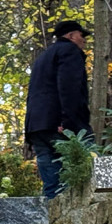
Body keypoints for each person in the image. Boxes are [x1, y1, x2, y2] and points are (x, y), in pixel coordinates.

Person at [24, 20, 92, 198]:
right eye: (81, 35)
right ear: (70, 36)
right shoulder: (69, 51)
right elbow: (69, 89)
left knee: (52, 187)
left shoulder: (44, 57)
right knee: (82, 174)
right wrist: (68, 123)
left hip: (37, 126)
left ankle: (52, 222)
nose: (84, 40)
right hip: (60, 125)